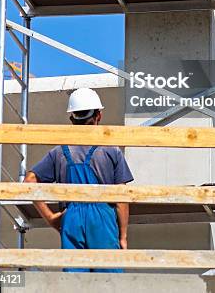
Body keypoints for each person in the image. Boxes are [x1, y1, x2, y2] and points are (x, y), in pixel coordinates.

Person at [24, 87, 133, 273]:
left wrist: (50, 217)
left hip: (71, 216)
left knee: (74, 282)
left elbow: (29, 181)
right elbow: (121, 197)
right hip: (102, 217)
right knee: (109, 281)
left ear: (72, 119)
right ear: (99, 115)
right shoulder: (111, 150)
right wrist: (123, 236)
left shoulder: (59, 152)